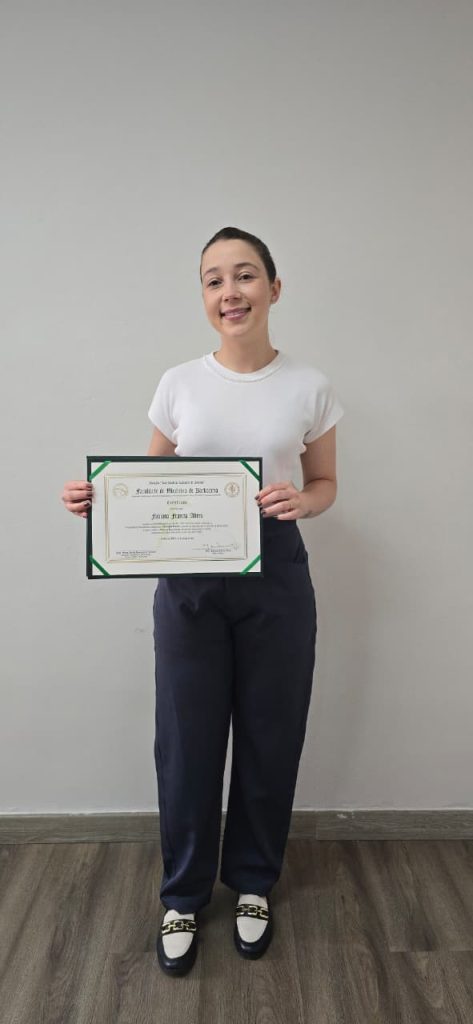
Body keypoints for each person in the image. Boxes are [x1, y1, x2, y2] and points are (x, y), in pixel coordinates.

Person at [61, 226, 344, 977]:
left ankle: (252, 882)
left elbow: (324, 484)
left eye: (244, 275)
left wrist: (303, 501)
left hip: (276, 572)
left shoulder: (310, 385)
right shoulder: (178, 383)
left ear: (274, 288)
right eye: (214, 280)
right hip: (188, 579)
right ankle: (183, 896)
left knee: (271, 730)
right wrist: (99, 500)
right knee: (186, 739)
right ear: (204, 296)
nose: (230, 292)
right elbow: (147, 484)